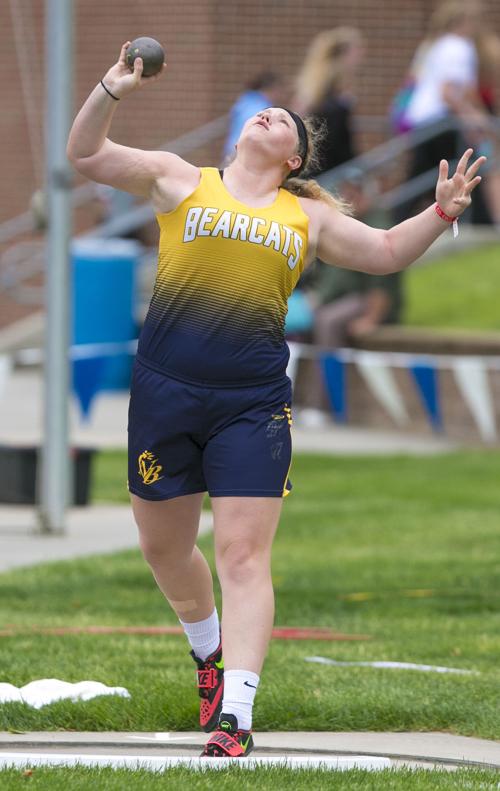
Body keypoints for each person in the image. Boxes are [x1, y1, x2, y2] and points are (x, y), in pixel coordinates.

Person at [66, 42, 485, 758]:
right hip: (165, 392)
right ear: (238, 137)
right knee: (165, 550)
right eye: (261, 113)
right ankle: (208, 654)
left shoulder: (307, 218)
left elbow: (384, 251)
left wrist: (440, 213)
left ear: (294, 158)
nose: (267, 116)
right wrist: (111, 87)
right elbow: (87, 155)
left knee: (242, 554)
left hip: (251, 404)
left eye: (283, 120)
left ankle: (237, 716)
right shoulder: (179, 180)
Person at [395, 0, 493, 223]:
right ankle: (479, 223)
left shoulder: (435, 45)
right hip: (440, 122)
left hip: (421, 120)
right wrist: (474, 119)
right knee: (467, 170)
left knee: (422, 177)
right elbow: (448, 93)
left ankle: (400, 218)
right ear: (464, 22)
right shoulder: (458, 47)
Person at [294, 27, 365, 175]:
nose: (361, 55)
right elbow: (338, 143)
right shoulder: (333, 99)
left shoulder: (315, 90)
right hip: (323, 170)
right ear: (343, 54)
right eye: (356, 50)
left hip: (315, 167)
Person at [223, 71, 285, 163]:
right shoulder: (263, 108)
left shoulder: (245, 100)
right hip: (244, 152)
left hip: (231, 149)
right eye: (279, 91)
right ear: (273, 89)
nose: (280, 95)